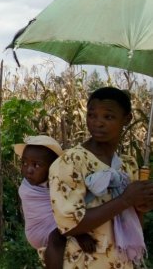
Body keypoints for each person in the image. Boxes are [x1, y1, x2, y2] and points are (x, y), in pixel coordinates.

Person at [49, 87, 153, 268]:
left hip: (120, 262)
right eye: (92, 115)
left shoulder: (128, 165)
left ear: (126, 119)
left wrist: (142, 205)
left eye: (108, 117)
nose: (98, 123)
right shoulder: (71, 161)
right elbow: (70, 225)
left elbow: (135, 222)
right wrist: (126, 199)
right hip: (84, 262)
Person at [15, 135, 96, 269]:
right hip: (42, 230)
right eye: (24, 163)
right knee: (56, 237)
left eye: (36, 165)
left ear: (53, 167)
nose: (28, 170)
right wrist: (79, 233)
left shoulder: (57, 182)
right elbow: (63, 213)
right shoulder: (28, 187)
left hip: (51, 226)